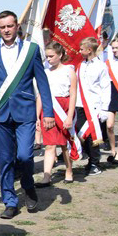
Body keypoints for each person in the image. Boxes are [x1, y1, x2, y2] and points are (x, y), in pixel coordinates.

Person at [0, 10, 54, 219]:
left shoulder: (31, 50)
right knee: (5, 160)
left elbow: (42, 82)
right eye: (2, 27)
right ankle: (10, 201)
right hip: (1, 113)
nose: (6, 30)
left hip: (25, 112)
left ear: (17, 26)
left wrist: (47, 112)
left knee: (24, 155)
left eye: (9, 26)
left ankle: (28, 186)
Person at [35, 42, 77, 186]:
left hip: (64, 108)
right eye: (47, 56)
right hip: (48, 110)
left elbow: (73, 94)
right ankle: (47, 176)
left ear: (60, 55)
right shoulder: (45, 73)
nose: (49, 59)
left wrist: (70, 116)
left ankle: (69, 170)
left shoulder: (69, 71)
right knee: (50, 144)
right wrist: (37, 117)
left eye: (52, 56)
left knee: (64, 144)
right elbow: (40, 95)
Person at [75, 37, 111, 175]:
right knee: (80, 133)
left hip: (94, 106)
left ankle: (95, 162)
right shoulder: (81, 65)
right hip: (80, 104)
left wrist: (104, 108)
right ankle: (90, 158)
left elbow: (105, 88)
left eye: (82, 49)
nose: (80, 51)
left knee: (92, 136)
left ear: (89, 50)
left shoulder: (101, 66)